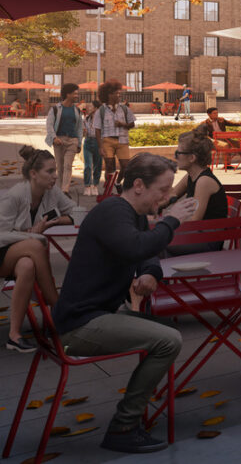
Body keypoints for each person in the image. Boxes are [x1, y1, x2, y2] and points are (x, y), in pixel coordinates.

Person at [54, 154, 196, 453]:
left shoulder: (134, 214)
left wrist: (150, 273)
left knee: (167, 332)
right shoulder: (112, 211)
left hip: (97, 315)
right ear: (139, 185)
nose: (169, 195)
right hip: (79, 324)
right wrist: (172, 220)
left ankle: (134, 417)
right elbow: (136, 245)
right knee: (168, 340)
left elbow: (145, 254)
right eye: (164, 188)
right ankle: (124, 426)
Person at [0, 147, 71, 352]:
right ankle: (57, 309)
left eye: (55, 171)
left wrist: (50, 223)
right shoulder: (14, 196)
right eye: (49, 171)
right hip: (2, 251)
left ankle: (14, 335)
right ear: (33, 174)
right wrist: (31, 235)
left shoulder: (51, 191)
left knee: (27, 265)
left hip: (19, 256)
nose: (55, 176)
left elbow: (73, 213)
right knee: (35, 245)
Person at [162, 134, 228, 255]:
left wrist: (166, 222)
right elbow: (172, 195)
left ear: (192, 158)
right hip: (196, 234)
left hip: (207, 239)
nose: (175, 157)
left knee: (155, 243)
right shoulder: (191, 176)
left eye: (178, 153)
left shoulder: (204, 181)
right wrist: (148, 207)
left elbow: (194, 219)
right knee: (151, 239)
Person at [44, 83, 83, 195]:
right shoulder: (56, 109)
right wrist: (54, 138)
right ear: (68, 94)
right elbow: (49, 125)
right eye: (75, 93)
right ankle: (61, 189)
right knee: (60, 167)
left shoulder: (77, 110)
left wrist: (79, 143)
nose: (77, 95)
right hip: (59, 141)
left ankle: (65, 189)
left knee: (67, 165)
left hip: (72, 141)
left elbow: (80, 128)